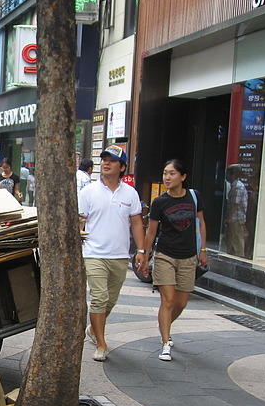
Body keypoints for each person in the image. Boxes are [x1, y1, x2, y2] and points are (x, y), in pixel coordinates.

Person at [79, 145, 146, 362]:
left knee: (110, 300)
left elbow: (136, 222)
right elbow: (80, 222)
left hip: (119, 255)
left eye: (112, 160)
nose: (106, 163)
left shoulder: (130, 193)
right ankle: (101, 342)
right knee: (99, 298)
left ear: (122, 167)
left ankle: (93, 329)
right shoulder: (88, 191)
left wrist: (141, 250)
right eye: (104, 159)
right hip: (93, 253)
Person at [141, 159, 207, 362]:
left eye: (172, 173)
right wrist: (144, 254)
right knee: (168, 300)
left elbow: (201, 223)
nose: (167, 178)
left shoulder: (193, 197)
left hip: (188, 257)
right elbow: (151, 232)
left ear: (183, 176)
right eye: (164, 173)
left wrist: (203, 249)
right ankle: (165, 341)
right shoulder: (160, 202)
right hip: (165, 256)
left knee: (181, 302)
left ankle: (165, 324)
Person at [224, 164, 248, 256]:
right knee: (232, 240)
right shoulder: (234, 186)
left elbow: (235, 204)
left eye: (228, 174)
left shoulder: (238, 187)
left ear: (232, 175)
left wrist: (229, 217)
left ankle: (239, 258)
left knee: (237, 240)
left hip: (236, 218)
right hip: (234, 218)